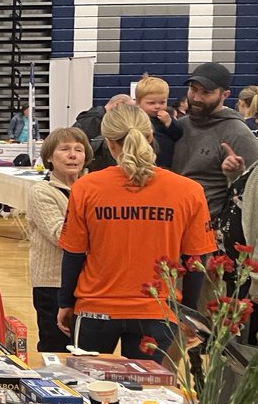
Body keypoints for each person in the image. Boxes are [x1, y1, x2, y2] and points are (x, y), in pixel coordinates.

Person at [58, 104, 215, 359]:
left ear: (109, 143)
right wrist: (187, 313)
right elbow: (196, 260)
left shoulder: (86, 187)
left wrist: (65, 301)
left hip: (96, 309)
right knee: (154, 396)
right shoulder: (189, 190)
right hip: (158, 311)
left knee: (90, 394)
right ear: (150, 138)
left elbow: (74, 253)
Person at [26, 128, 91, 353]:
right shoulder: (41, 192)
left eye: (79, 150)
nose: (73, 155)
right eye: (64, 149)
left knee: (86, 352)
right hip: (52, 283)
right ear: (50, 158)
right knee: (56, 349)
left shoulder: (92, 189)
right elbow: (59, 235)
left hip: (89, 283)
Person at [172, 62, 258, 223]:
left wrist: (236, 174)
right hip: (173, 223)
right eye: (193, 89)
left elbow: (253, 189)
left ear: (224, 95)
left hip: (209, 230)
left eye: (206, 92)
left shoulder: (237, 133)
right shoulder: (178, 126)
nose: (196, 98)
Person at [134, 76, 181, 168]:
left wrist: (169, 123)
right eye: (151, 103)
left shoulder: (167, 118)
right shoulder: (136, 119)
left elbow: (178, 135)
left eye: (162, 102)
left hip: (165, 163)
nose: (157, 106)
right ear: (138, 103)